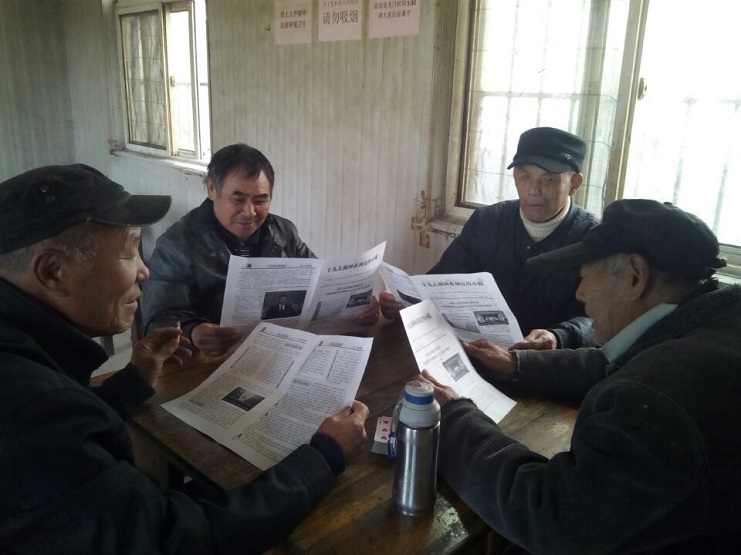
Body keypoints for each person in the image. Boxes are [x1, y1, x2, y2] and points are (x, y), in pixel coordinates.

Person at [0, 164, 369, 553]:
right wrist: (323, 457)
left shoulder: (32, 365)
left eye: (260, 199)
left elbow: (74, 440)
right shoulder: (33, 410)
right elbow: (176, 539)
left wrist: (131, 383)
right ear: (53, 272)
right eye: (129, 251)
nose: (143, 270)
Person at [418, 199, 741, 554]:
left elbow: (553, 518)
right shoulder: (713, 320)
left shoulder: (658, 397)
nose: (579, 293)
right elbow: (616, 365)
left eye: (585, 276)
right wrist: (517, 365)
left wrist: (453, 420)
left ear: (634, 276)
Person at [142, 143, 378, 357]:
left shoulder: (283, 232)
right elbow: (157, 319)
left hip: (278, 353)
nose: (249, 212)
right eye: (238, 199)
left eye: (260, 200)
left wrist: (356, 307)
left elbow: (322, 284)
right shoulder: (177, 244)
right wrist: (193, 332)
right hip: (205, 363)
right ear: (212, 188)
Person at [380, 127, 599, 350]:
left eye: (549, 179)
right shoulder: (487, 221)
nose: (533, 190)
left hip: (545, 365)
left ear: (574, 184)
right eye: (525, 176)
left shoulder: (593, 239)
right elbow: (444, 278)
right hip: (474, 353)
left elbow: (600, 319)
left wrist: (559, 337)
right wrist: (408, 302)